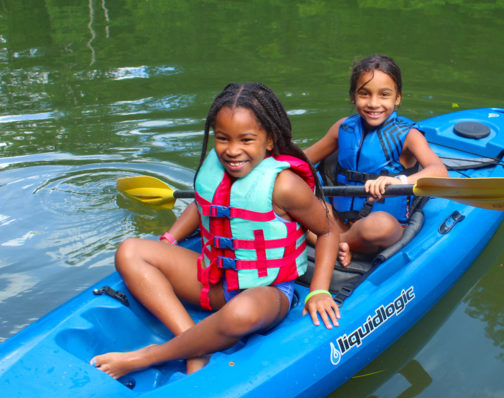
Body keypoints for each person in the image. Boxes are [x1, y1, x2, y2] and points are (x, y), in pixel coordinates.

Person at [91, 82, 340, 379]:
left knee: (240, 312)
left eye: (246, 140)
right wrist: (171, 238)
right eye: (223, 139)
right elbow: (205, 203)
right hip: (213, 280)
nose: (233, 151)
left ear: (270, 140)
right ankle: (196, 343)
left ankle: (147, 357)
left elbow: (327, 231)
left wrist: (319, 290)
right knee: (130, 251)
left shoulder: (285, 185)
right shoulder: (216, 169)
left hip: (268, 292)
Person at [305, 55, 447, 266]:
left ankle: (333, 243)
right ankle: (340, 243)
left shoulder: (407, 135)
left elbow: (440, 172)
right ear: (353, 96)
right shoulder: (343, 128)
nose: (373, 103)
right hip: (338, 221)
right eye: (364, 94)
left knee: (380, 225)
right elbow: (303, 160)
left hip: (379, 231)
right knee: (299, 202)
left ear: (397, 98)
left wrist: (397, 181)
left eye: (384, 95)